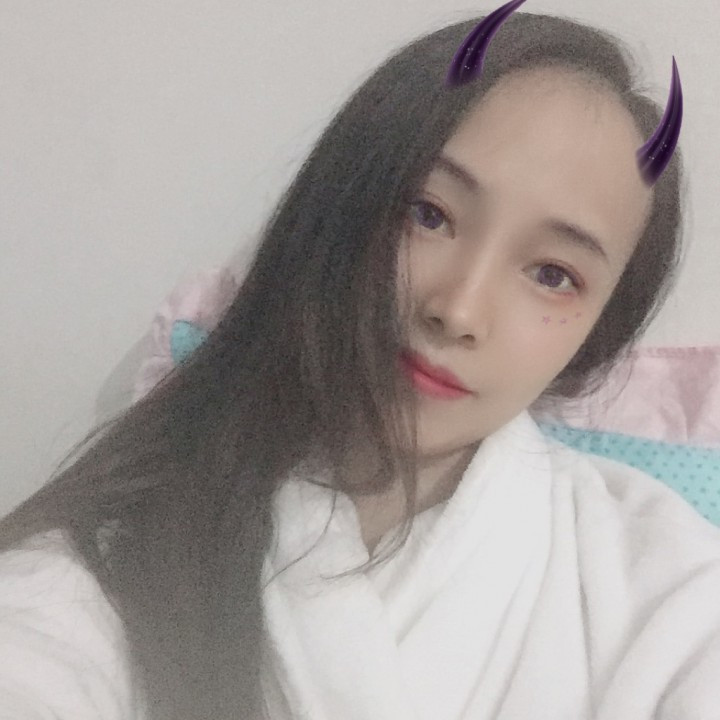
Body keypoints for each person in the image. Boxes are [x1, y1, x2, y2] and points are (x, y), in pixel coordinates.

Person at [1, 4, 717, 720]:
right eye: (428, 214)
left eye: (553, 275)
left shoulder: (659, 580)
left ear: (596, 329)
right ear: (340, 206)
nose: (458, 311)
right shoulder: (120, 542)